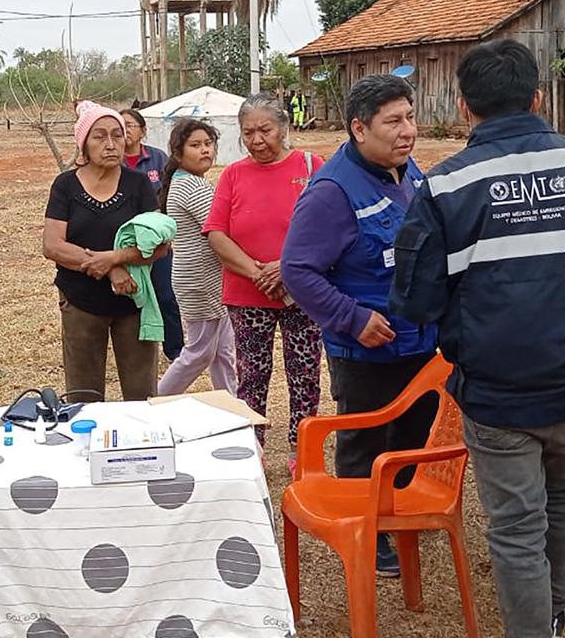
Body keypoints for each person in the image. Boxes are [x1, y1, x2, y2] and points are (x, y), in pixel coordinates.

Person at [389, 40, 565, 638]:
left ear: (464, 107)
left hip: (497, 393)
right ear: (538, 97)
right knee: (562, 497)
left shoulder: (444, 187)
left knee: (517, 525)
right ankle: (552, 616)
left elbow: (416, 301)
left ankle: (535, 628)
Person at [281, 74, 439, 577]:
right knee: (367, 441)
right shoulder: (331, 191)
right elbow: (297, 270)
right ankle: (366, 535)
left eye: (410, 117)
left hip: (420, 342)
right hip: (367, 349)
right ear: (358, 129)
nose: (407, 130)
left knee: (414, 437)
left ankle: (395, 518)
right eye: (393, 121)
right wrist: (352, 319)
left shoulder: (406, 172)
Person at [204, 92, 325, 457]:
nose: (257, 140)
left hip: (302, 291)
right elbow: (216, 233)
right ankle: (251, 446)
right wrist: (259, 273)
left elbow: (329, 228)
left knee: (304, 374)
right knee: (252, 376)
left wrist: (288, 270)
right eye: (248, 132)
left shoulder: (311, 166)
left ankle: (301, 449)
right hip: (246, 293)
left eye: (265, 130)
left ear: (284, 127)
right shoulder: (233, 175)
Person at [42, 101, 172, 401]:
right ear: (84, 143)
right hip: (80, 302)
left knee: (142, 396)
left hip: (133, 299)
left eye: (118, 134)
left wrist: (115, 258)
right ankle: (86, 448)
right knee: (83, 396)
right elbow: (53, 246)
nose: (111, 144)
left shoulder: (137, 184)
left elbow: (159, 245)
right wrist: (109, 268)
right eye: (99, 136)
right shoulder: (65, 186)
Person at [156, 118, 236, 397]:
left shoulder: (187, 182)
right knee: (200, 351)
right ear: (178, 153)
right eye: (195, 145)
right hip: (201, 280)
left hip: (207, 278)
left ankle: (233, 405)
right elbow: (223, 229)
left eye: (209, 144)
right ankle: (155, 399)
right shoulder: (193, 187)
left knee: (223, 350)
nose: (205, 150)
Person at [120, 108, 184, 362]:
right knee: (130, 298)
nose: (125, 131)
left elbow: (170, 191)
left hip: (157, 241)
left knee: (166, 296)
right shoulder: (113, 161)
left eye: (130, 126)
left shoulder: (158, 158)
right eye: (120, 126)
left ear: (143, 131)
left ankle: (176, 351)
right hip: (126, 242)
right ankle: (136, 352)